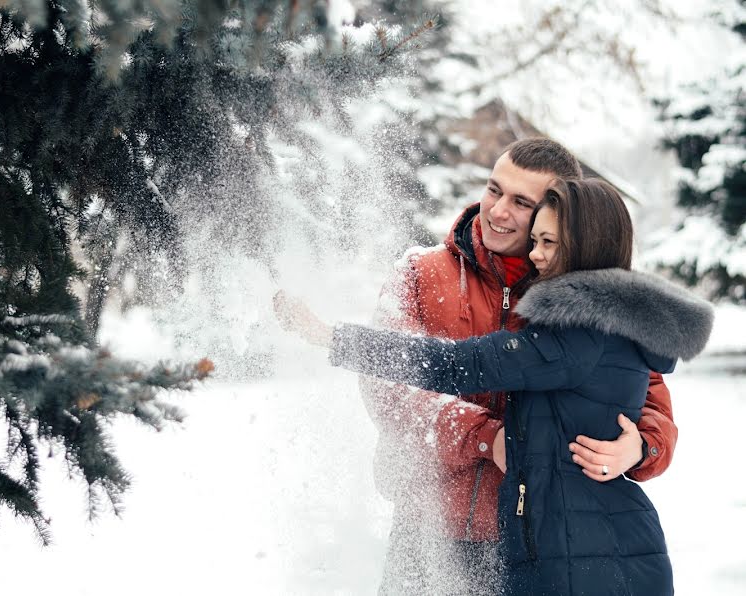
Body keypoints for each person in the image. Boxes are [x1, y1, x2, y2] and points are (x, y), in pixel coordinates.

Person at [275, 178, 714, 595]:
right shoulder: (611, 326)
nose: (535, 255)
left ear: (585, 245)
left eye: (548, 243)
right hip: (588, 545)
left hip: (585, 557)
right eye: (535, 240)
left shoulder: (574, 337)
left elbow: (452, 365)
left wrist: (332, 337)